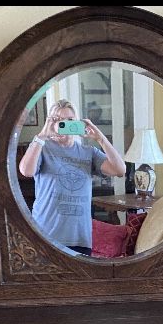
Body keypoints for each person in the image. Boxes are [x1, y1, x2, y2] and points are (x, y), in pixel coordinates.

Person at [18, 100, 126, 256]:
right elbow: (26, 171)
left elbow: (120, 169)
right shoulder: (42, 147)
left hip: (79, 238)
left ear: (77, 123)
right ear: (51, 122)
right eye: (58, 119)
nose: (64, 123)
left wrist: (99, 138)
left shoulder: (89, 152)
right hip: (45, 234)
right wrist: (41, 136)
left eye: (70, 119)